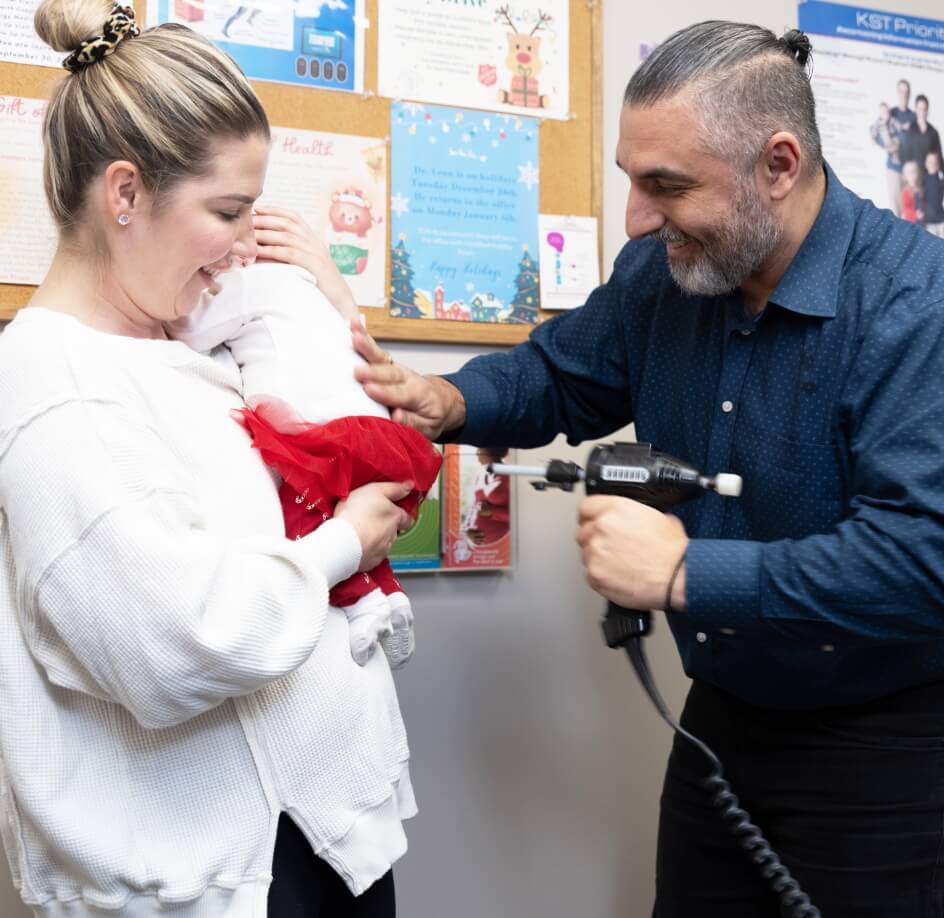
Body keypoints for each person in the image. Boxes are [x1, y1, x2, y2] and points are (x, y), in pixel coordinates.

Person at [352, 20, 944, 917]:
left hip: (890, 745)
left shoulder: (914, 304)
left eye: (667, 186)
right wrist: (451, 400)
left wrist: (680, 571)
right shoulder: (663, 271)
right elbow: (561, 373)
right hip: (726, 718)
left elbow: (921, 560)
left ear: (779, 165)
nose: (637, 219)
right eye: (632, 179)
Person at [0, 2, 415, 915]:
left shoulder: (187, 344)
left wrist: (330, 302)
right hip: (219, 882)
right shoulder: (56, 386)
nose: (241, 245)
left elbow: (316, 432)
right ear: (124, 195)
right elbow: (180, 641)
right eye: (227, 211)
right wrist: (345, 543)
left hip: (315, 841)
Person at [168, 258, 442, 667]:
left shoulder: (246, 284)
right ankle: (392, 595)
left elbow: (188, 326)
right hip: (380, 437)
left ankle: (365, 604)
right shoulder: (317, 293)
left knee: (305, 524)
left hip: (326, 438)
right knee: (362, 518)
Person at [463, 447, 510, 546]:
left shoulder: (510, 476)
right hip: (479, 550)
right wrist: (468, 530)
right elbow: (474, 507)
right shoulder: (481, 475)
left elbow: (521, 516)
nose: (477, 454)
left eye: (480, 450)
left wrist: (493, 511)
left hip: (503, 547)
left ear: (491, 451)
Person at [869, 101, 902, 214]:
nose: (886, 113)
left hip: (899, 154)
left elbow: (900, 131)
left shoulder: (893, 122)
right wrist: (876, 140)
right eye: (883, 112)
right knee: (894, 198)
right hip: (891, 158)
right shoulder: (878, 125)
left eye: (887, 111)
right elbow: (872, 133)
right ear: (880, 113)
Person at [899, 93, 943, 175]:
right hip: (913, 177)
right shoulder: (908, 130)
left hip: (930, 176)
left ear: (927, 110)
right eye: (919, 109)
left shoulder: (933, 132)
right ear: (915, 109)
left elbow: (939, 156)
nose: (922, 112)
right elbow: (904, 156)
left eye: (924, 109)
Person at [924, 150, 944, 236]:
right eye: (930, 161)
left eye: (934, 162)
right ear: (926, 164)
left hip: (942, 219)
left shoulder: (941, 178)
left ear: (938, 164)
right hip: (929, 221)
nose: (932, 164)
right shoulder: (923, 179)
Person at [900, 159, 925, 223]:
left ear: (917, 173)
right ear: (905, 176)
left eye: (913, 172)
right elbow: (906, 210)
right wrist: (915, 214)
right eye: (909, 172)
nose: (911, 174)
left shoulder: (919, 189)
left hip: (921, 221)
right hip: (911, 221)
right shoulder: (905, 191)